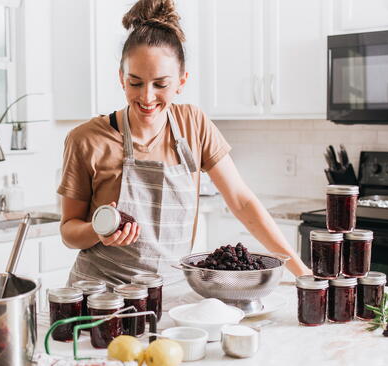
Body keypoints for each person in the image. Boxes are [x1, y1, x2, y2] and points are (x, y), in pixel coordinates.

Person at [57, 0, 310, 287]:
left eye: (161, 84)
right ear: (121, 78)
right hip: (100, 296)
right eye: (135, 82)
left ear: (181, 81)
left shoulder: (194, 124)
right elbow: (68, 230)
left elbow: (242, 202)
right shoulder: (86, 139)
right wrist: (98, 231)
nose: (147, 97)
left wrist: (302, 272)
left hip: (169, 294)